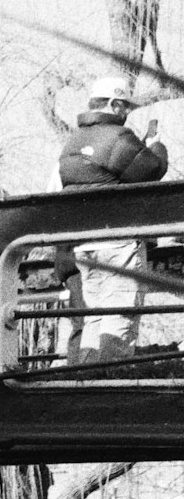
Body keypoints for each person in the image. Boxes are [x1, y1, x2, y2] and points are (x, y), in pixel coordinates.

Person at [58, 76, 169, 363]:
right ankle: (112, 377)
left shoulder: (72, 142)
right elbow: (152, 170)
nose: (127, 112)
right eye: (125, 106)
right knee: (120, 315)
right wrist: (155, 145)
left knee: (94, 318)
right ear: (114, 104)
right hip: (118, 243)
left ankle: (86, 379)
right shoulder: (118, 137)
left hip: (84, 245)